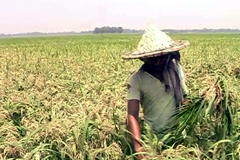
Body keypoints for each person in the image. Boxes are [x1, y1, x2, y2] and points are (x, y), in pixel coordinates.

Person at [122, 24, 190, 159]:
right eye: (153, 57)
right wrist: (139, 148)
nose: (158, 61)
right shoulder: (137, 80)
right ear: (144, 58)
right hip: (153, 139)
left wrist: (195, 107)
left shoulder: (175, 71)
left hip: (178, 137)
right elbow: (132, 115)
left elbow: (185, 99)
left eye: (162, 56)